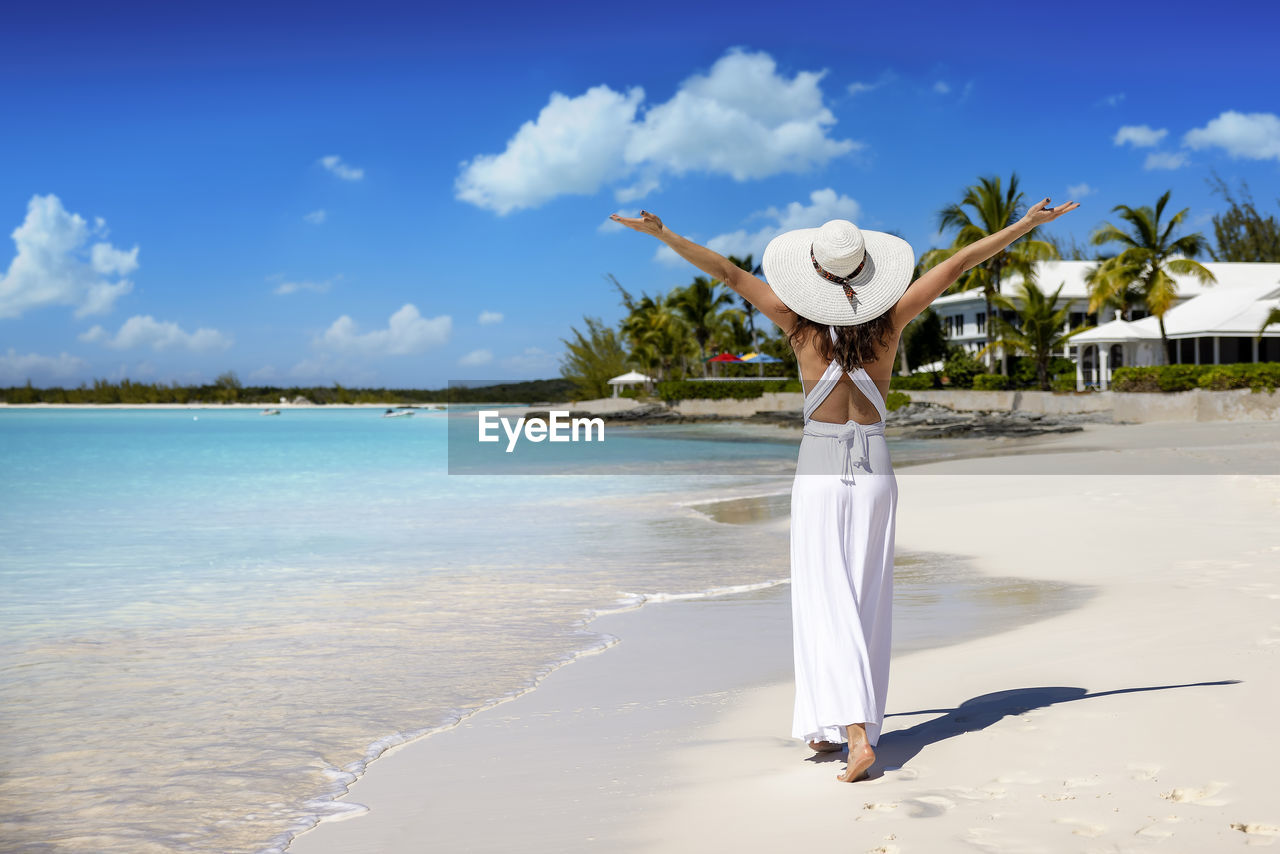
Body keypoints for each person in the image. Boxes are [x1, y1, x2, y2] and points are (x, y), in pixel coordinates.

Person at [610, 197, 1078, 782]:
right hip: (876, 465)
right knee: (865, 599)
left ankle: (854, 733)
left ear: (814, 274)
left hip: (821, 466)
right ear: (865, 272)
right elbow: (959, 264)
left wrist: (664, 233)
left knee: (823, 597)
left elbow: (726, 273)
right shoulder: (892, 321)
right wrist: (1024, 226)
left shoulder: (795, 322)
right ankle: (830, 724)